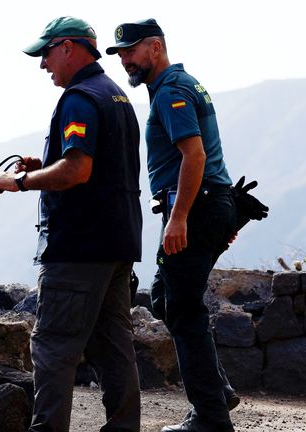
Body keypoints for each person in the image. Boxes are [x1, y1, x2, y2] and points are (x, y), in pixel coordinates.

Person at [0, 16, 142, 432]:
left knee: (54, 348)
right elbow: (98, 164)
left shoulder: (79, 98)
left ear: (69, 47)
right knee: (115, 348)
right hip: (118, 244)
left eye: (46, 54)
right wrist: (45, 164)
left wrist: (18, 181)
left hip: (78, 248)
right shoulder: (116, 97)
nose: (43, 65)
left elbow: (77, 171)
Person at [107, 19, 238, 432]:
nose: (125, 60)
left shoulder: (171, 92)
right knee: (167, 297)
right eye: (120, 53)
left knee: (181, 307)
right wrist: (222, 213)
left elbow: (194, 156)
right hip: (209, 204)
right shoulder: (183, 84)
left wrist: (180, 217)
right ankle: (218, 392)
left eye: (130, 51)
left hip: (195, 206)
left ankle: (211, 418)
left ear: (156, 47)